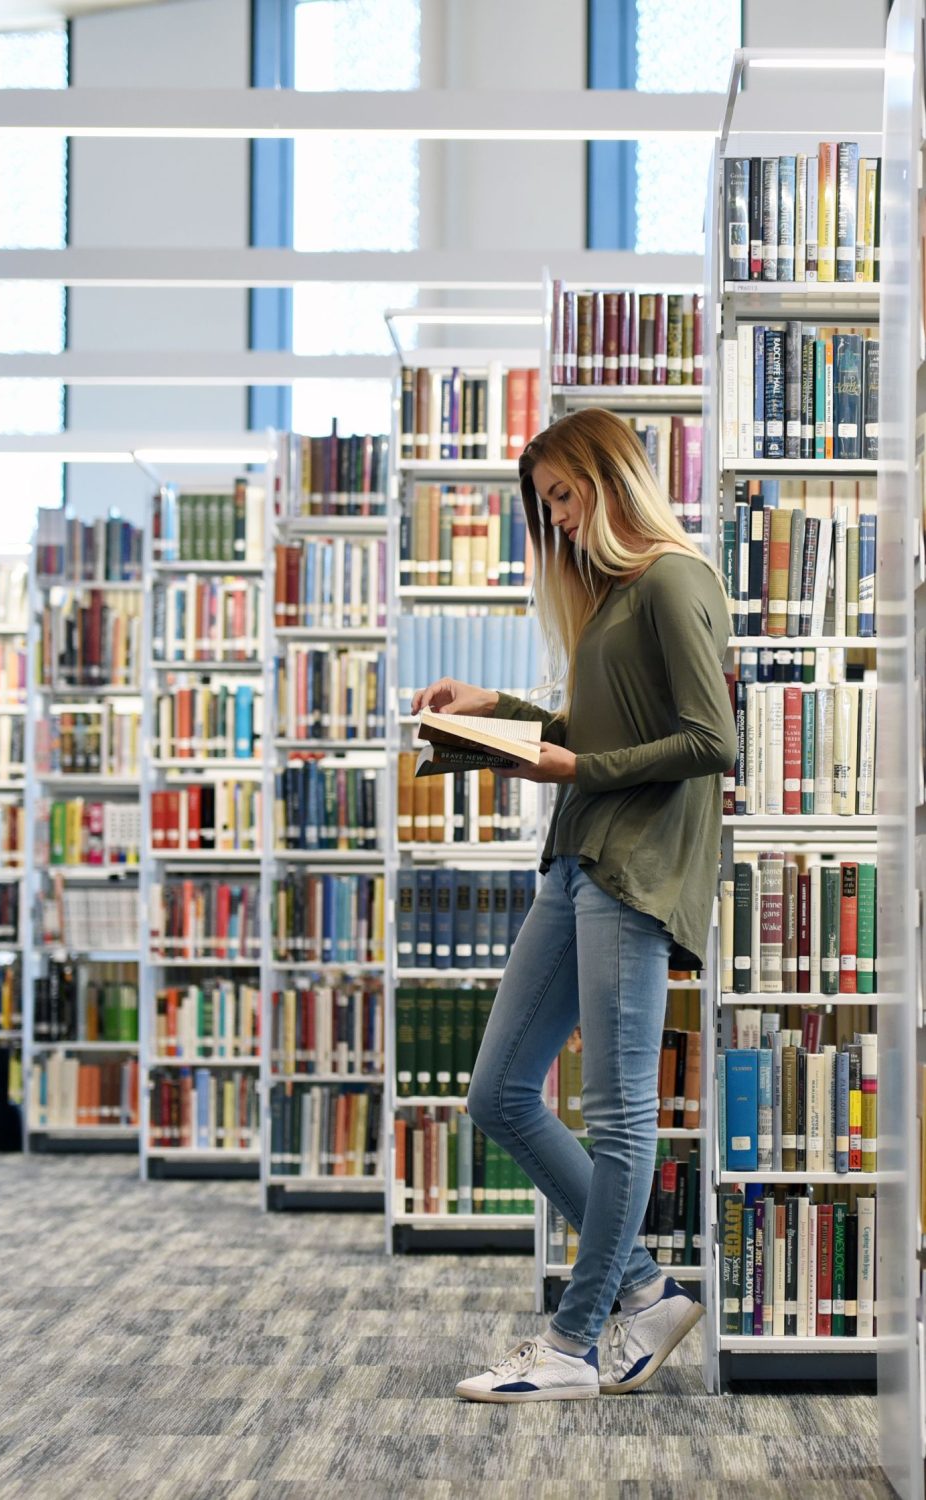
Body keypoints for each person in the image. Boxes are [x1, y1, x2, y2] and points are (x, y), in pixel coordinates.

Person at [411, 407, 735, 1403]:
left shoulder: (675, 579)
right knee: (498, 1091)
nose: (555, 517)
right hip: (576, 862)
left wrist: (574, 763)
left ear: (612, 477)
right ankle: (642, 1290)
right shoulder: (609, 600)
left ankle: (571, 1345)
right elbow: (581, 731)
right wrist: (496, 714)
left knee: (618, 1111)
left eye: (565, 493)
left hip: (634, 870)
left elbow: (708, 740)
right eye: (544, 503)